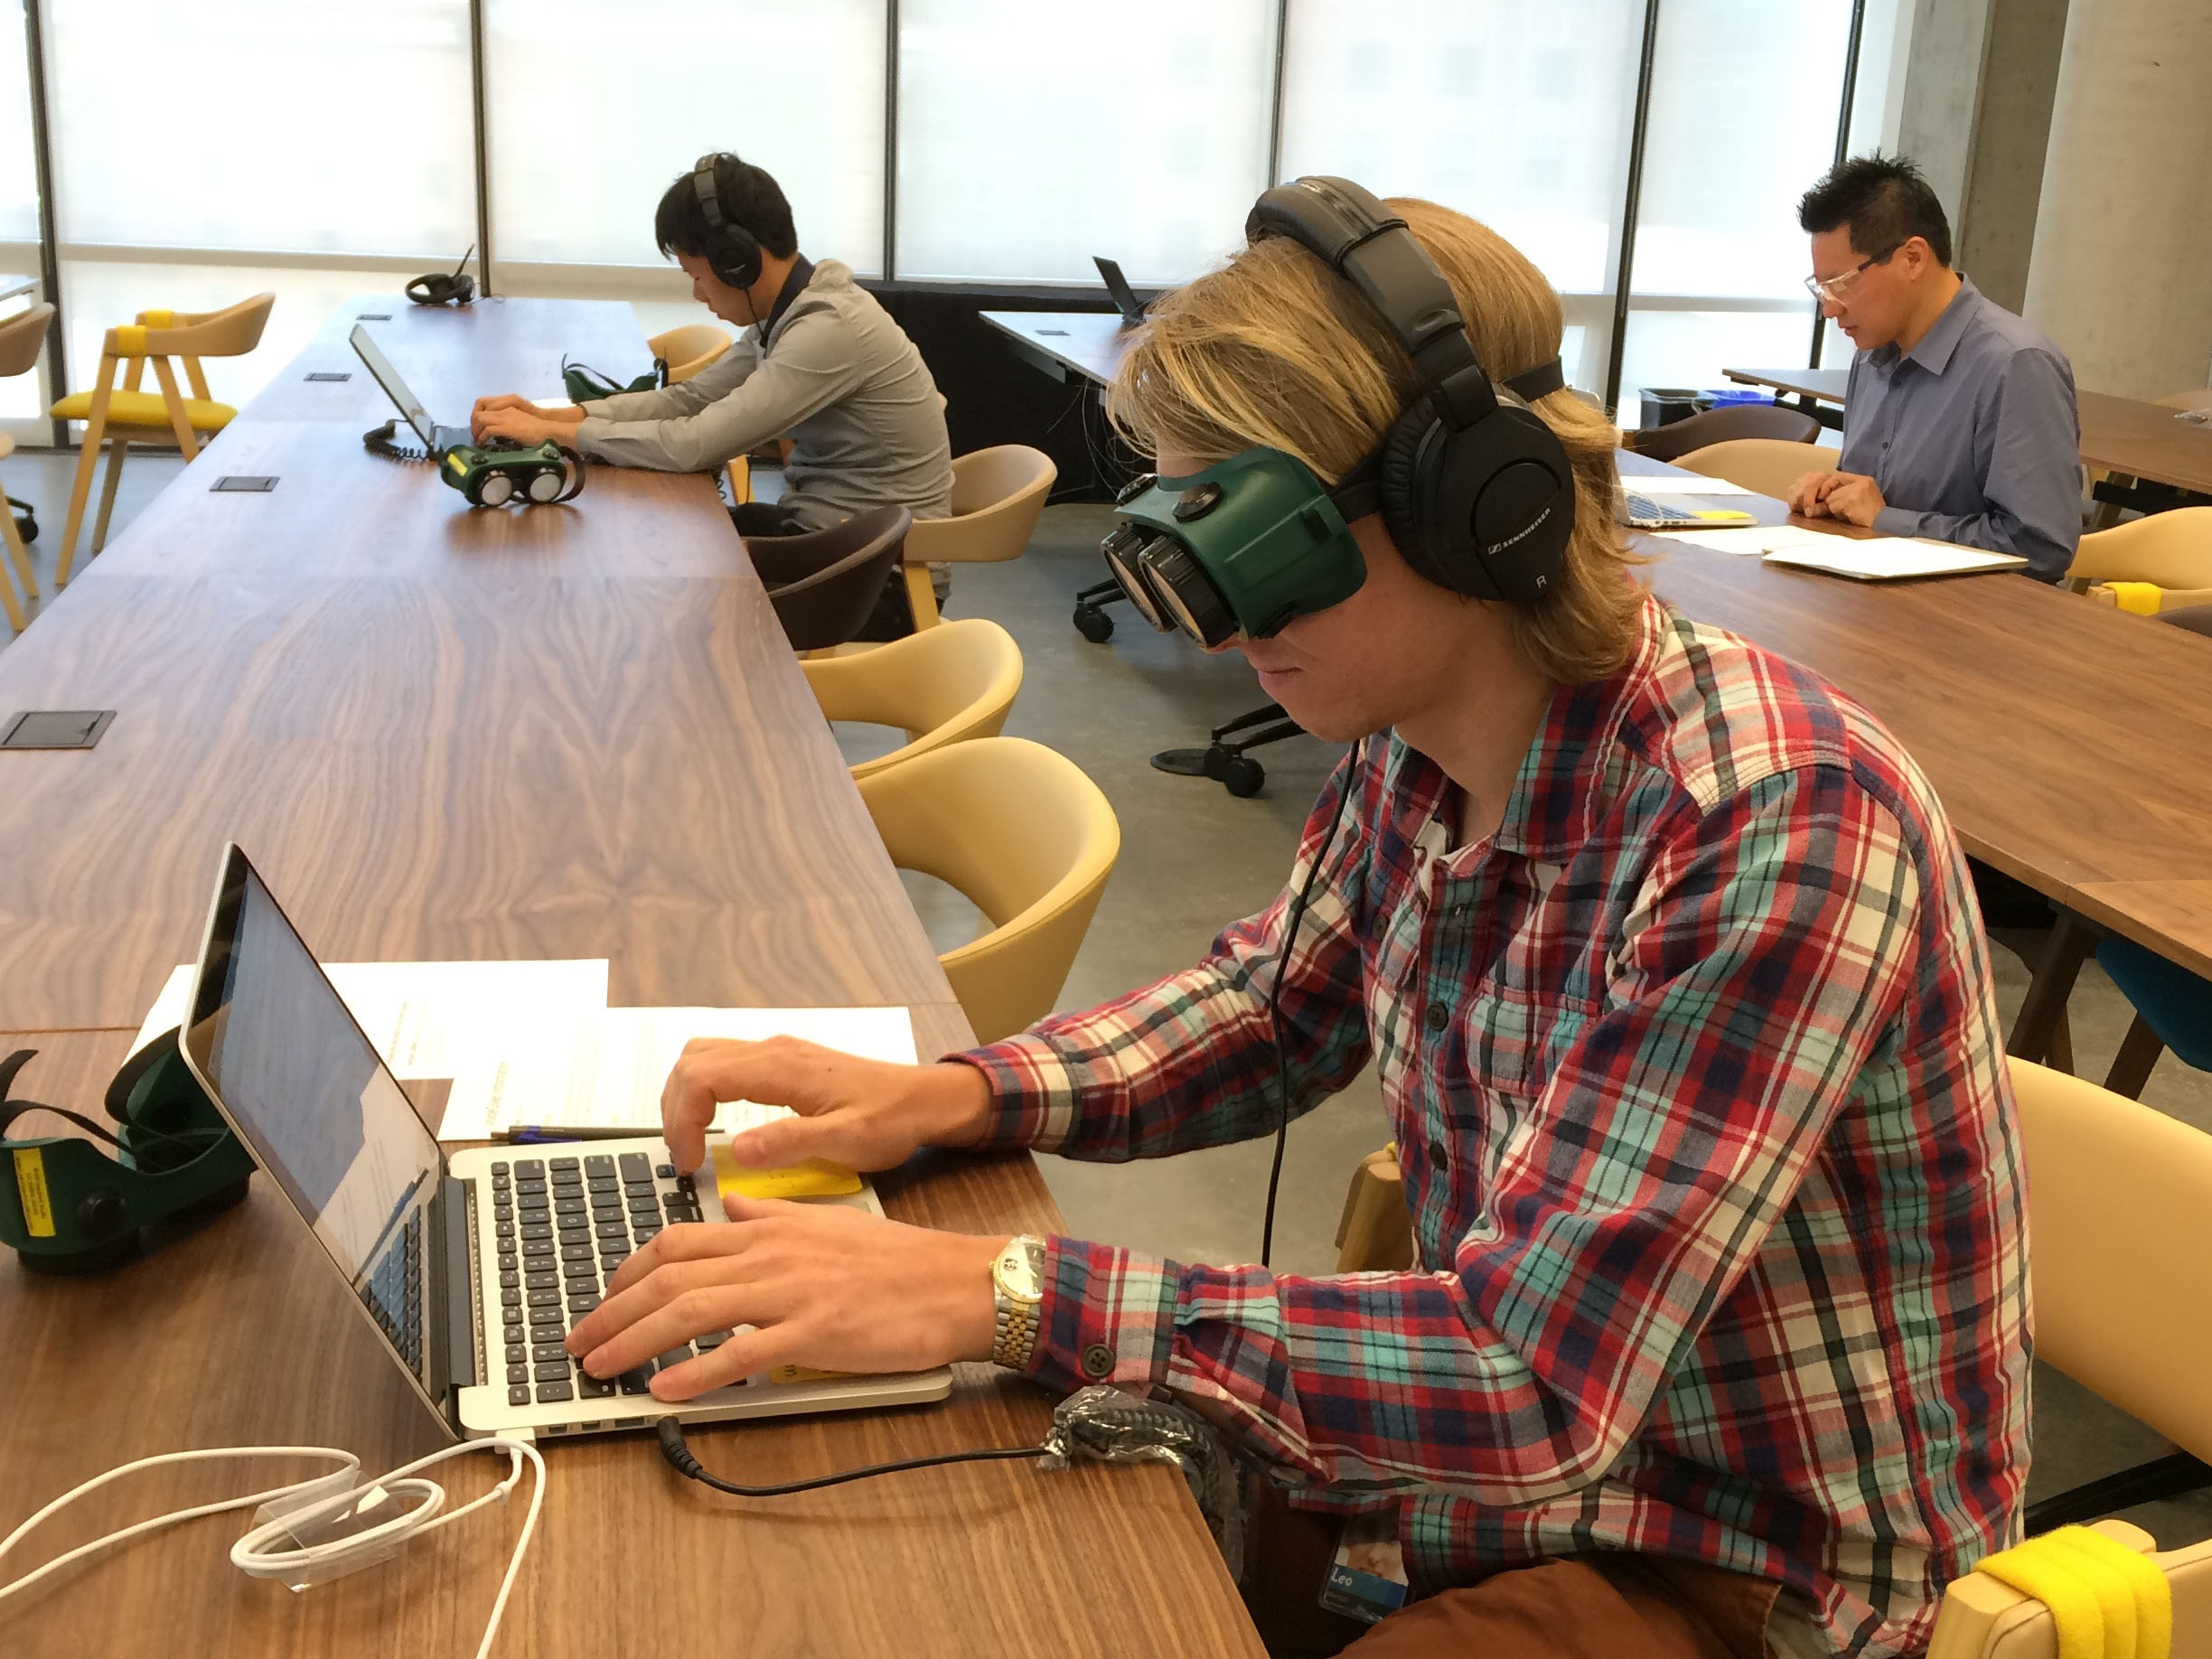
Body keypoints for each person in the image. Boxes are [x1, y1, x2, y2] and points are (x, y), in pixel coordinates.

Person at [565, 186, 2029, 1659]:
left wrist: (997, 1285)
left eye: (1253, 537)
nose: (1213, 616)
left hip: (1739, 1564)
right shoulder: (1420, 730)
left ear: (1482, 505)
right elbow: (1271, 1005)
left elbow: (1527, 1384)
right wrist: (950, 1095)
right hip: (1509, 1489)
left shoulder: (1770, 821)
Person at [470, 153, 952, 548]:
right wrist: (554, 418)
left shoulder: (828, 329)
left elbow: (697, 443)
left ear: (736, 262)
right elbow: (687, 401)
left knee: (662, 583)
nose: (698, 294)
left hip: (880, 572)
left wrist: (562, 435)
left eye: (696, 275)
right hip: (830, 537)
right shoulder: (789, 316)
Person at [1786, 154, 2082, 582]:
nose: (1830, 310)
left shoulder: (2015, 364)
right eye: (1821, 288)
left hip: (1971, 623)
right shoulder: (1871, 354)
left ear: (1913, 258)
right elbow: (1871, 501)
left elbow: (2038, 548)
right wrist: (1832, 494)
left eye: (1843, 284)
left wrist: (1887, 520)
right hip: (1869, 602)